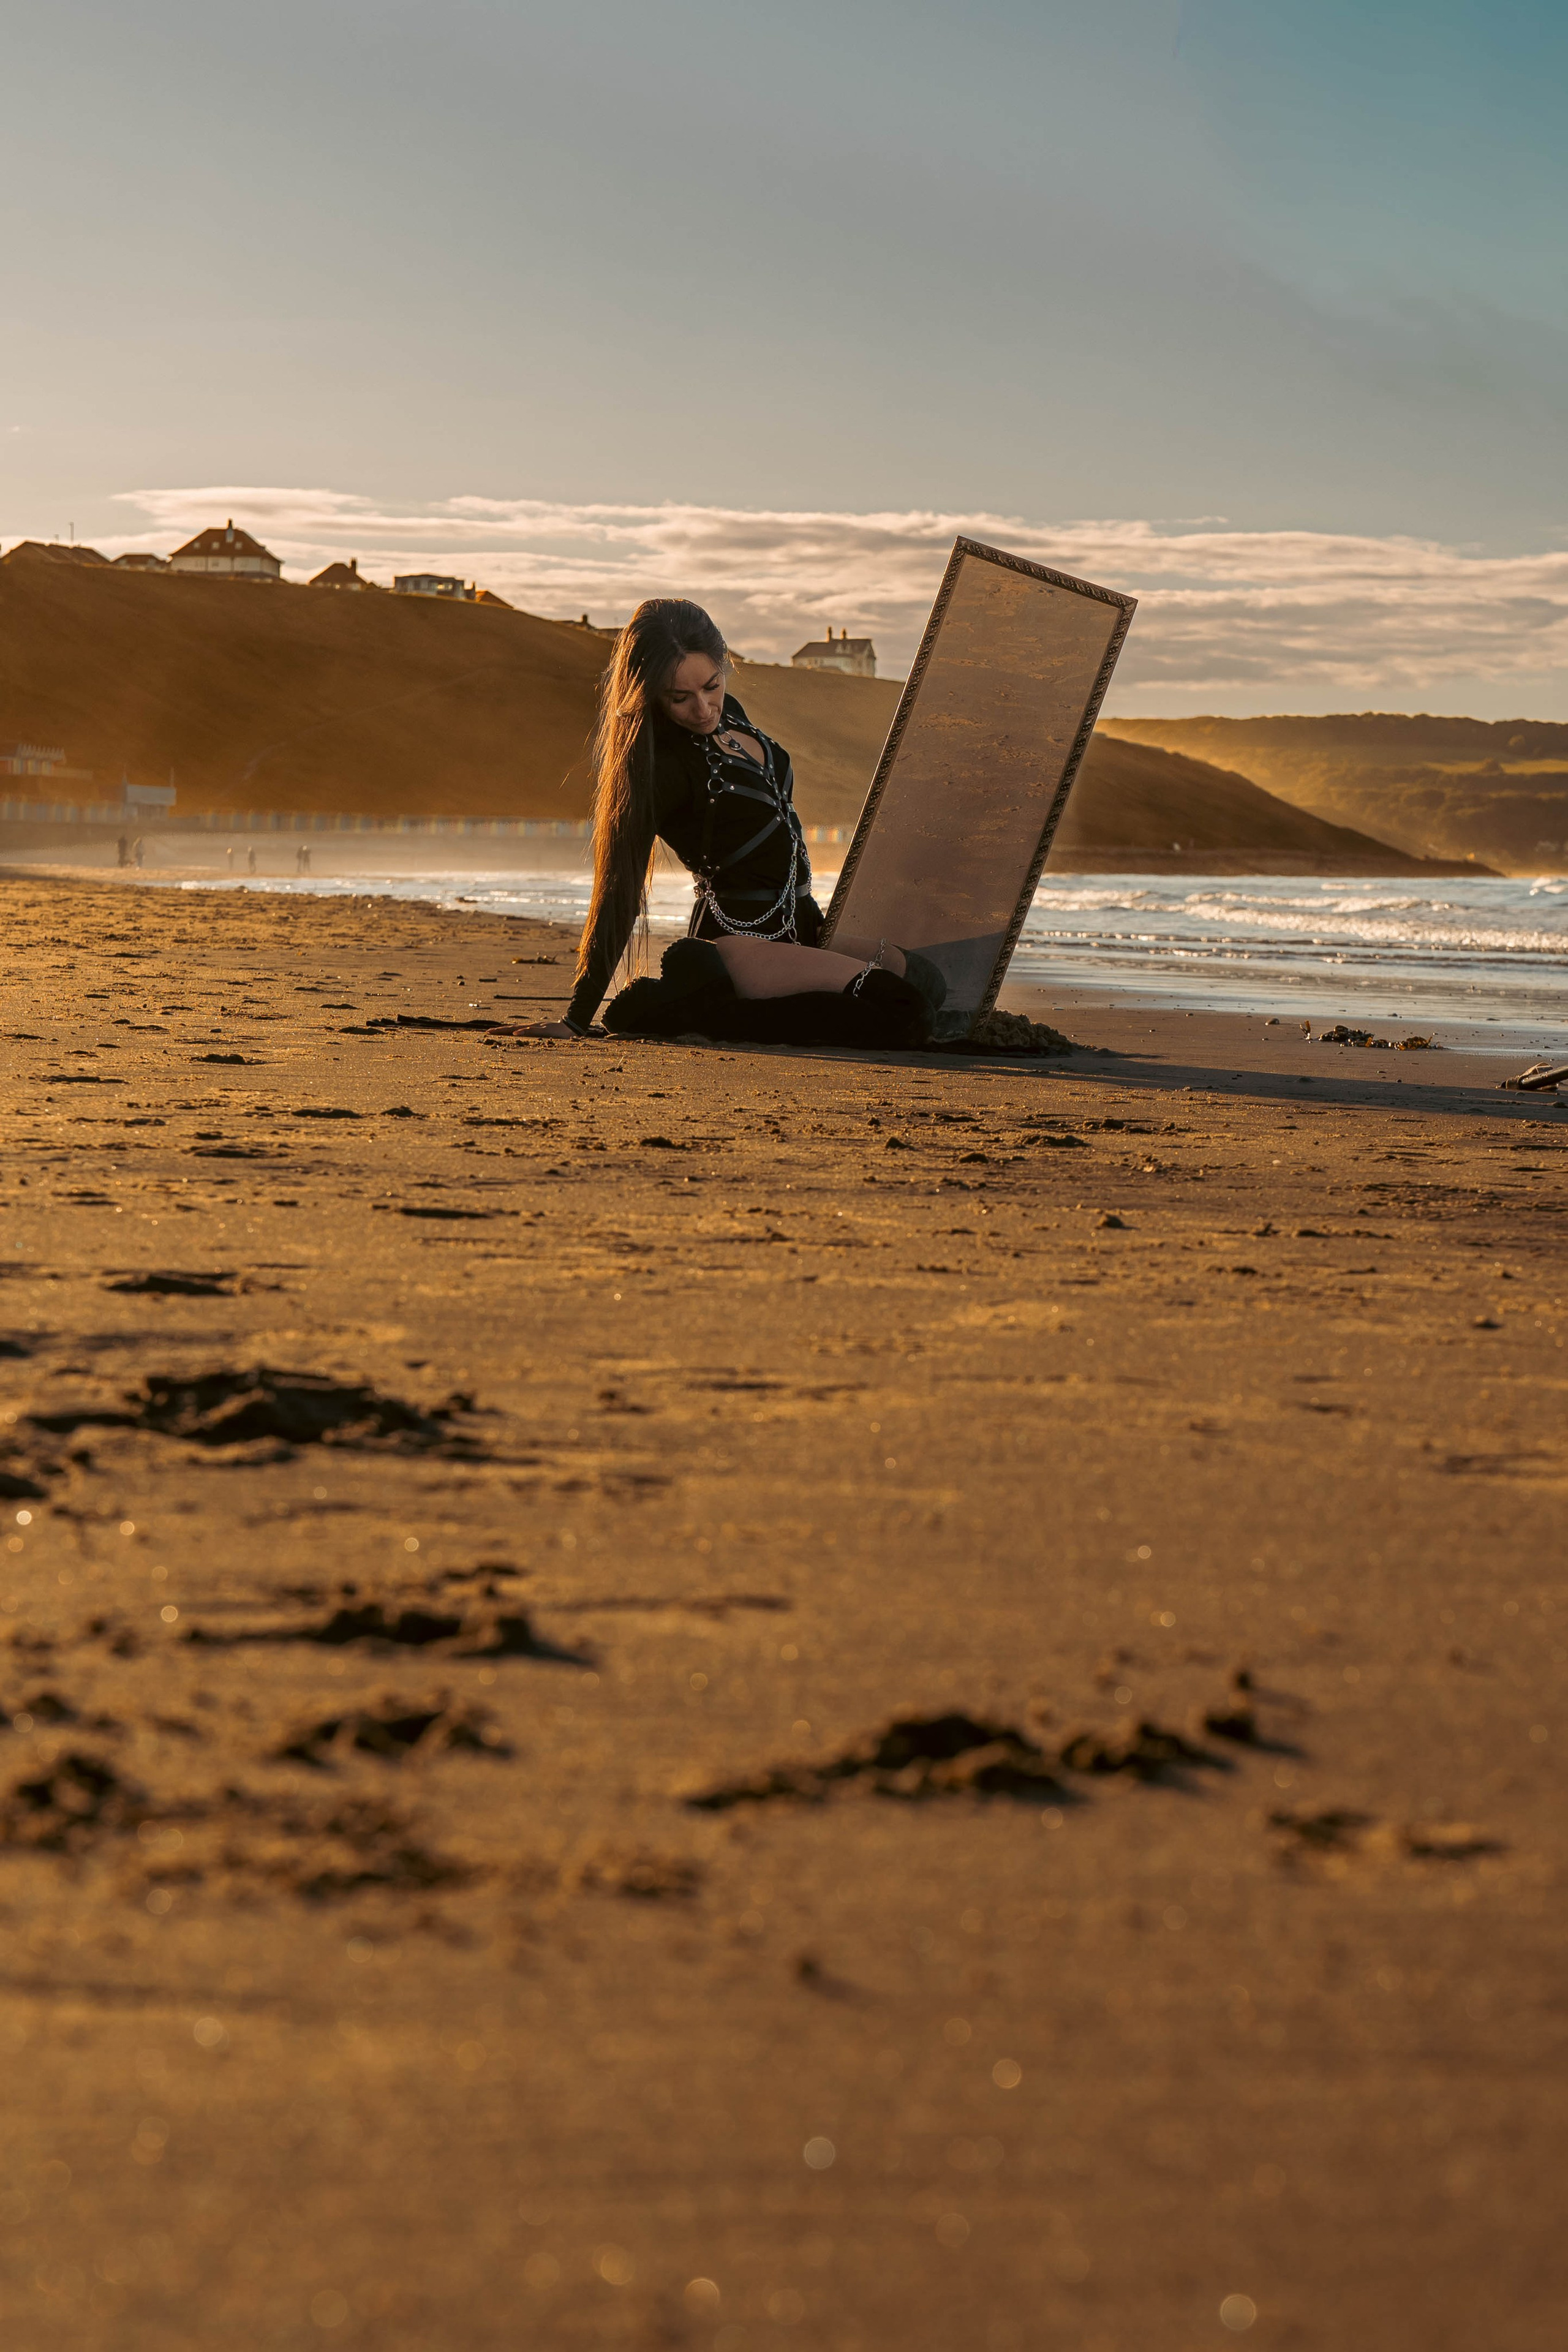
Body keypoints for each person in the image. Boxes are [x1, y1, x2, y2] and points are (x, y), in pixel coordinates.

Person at [505, 598, 943, 1047]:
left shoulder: (731, 711)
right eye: (680, 698)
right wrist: (577, 1018)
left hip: (803, 923)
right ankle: (699, 1005)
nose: (703, 708)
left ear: (722, 665)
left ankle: (708, 1006)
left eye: (711, 686)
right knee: (905, 1012)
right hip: (740, 939)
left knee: (929, 983)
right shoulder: (657, 769)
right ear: (649, 692)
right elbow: (619, 891)